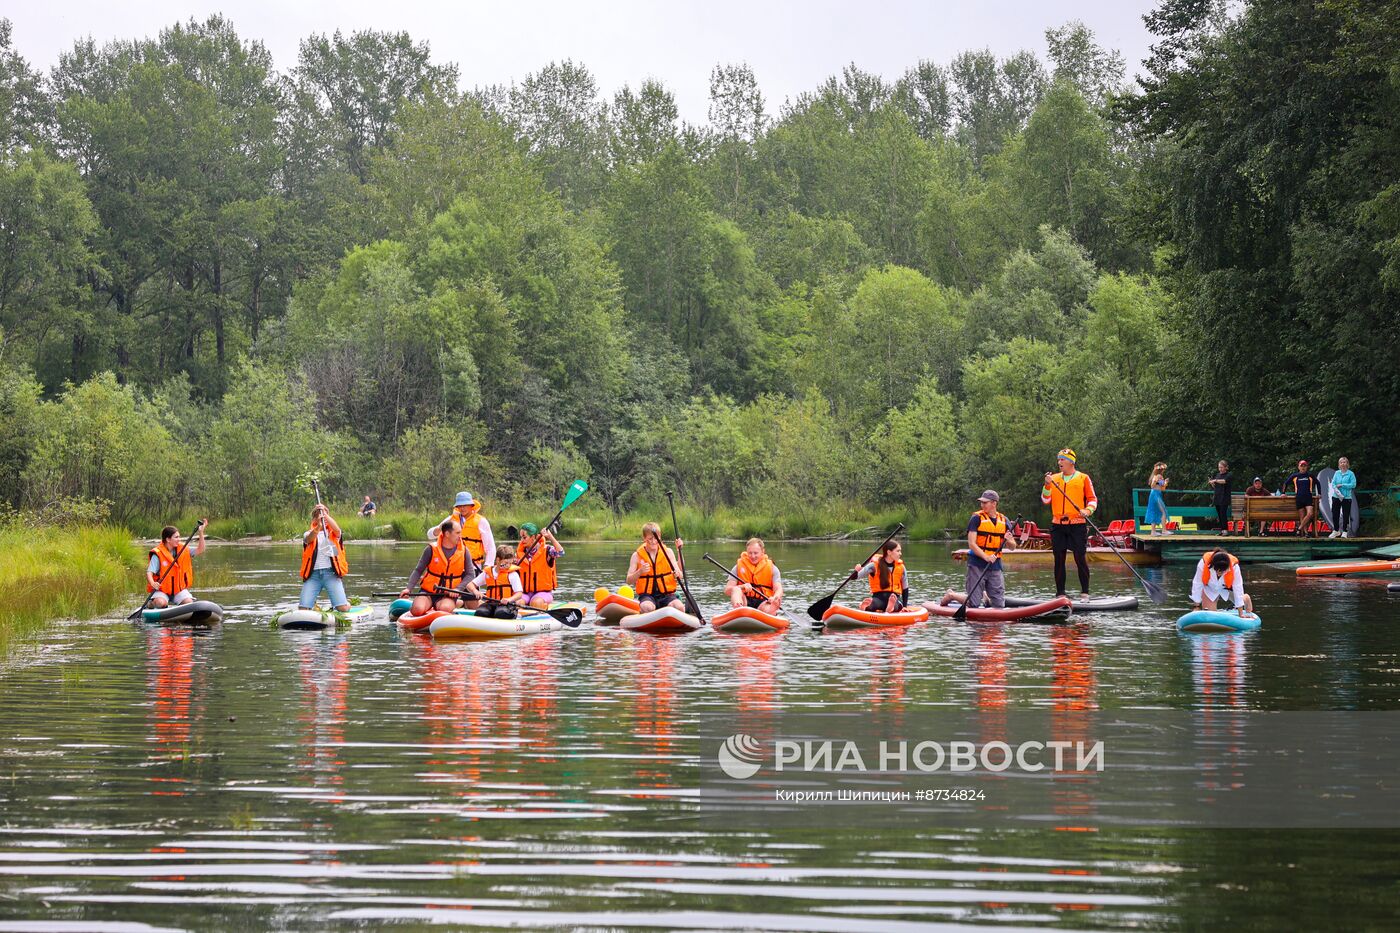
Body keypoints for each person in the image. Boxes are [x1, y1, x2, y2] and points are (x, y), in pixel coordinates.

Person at [1041, 448, 1097, 599]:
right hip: (1058, 525)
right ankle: (1060, 594)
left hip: (1077, 524)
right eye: (1058, 459)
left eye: (1062, 459)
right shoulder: (1053, 479)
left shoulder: (1083, 478)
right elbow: (1045, 500)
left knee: (1080, 558)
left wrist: (1088, 510)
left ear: (1071, 462)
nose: (1059, 462)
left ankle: (1085, 592)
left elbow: (1092, 499)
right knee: (1059, 559)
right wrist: (1047, 486)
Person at [958, 490, 1016, 608]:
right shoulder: (976, 518)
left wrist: (1008, 540)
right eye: (981, 502)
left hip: (995, 565)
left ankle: (986, 597)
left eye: (985, 502)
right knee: (974, 604)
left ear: (994, 503)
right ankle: (952, 595)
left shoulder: (1004, 520)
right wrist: (986, 557)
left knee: (999, 605)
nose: (982, 505)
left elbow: (1013, 547)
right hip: (976, 564)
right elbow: (972, 544)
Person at [401, 520, 469, 615]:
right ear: (447, 534)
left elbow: (470, 574)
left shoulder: (464, 551)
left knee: (444, 609)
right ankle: (424, 604)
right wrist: (408, 589)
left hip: (448, 594)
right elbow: (418, 570)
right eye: (457, 533)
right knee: (417, 610)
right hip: (428, 592)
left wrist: (458, 589)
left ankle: (456, 603)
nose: (460, 536)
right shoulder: (431, 549)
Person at [299, 504, 351, 612]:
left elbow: (337, 529)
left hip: (331, 574)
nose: (322, 519)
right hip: (313, 576)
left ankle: (347, 603)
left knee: (342, 608)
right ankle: (311, 605)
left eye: (324, 516)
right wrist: (318, 526)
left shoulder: (333, 533)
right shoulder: (308, 533)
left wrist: (325, 515)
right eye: (319, 516)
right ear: (314, 519)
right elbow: (309, 539)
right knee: (303, 609)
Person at [146, 521, 207, 608]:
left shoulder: (183, 549)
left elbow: (200, 549)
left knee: (188, 603)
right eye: (176, 537)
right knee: (160, 603)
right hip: (162, 590)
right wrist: (152, 583)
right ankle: (151, 603)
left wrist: (201, 533)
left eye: (179, 537)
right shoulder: (158, 554)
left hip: (178, 589)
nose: (179, 539)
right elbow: (149, 572)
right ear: (168, 539)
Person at [429, 491, 494, 573]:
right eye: (460, 506)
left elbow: (490, 547)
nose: (462, 508)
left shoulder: (481, 521)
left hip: (473, 567)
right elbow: (430, 535)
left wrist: (487, 565)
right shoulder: (451, 520)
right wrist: (439, 529)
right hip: (452, 565)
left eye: (465, 505)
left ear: (471, 505)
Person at [626, 522, 685, 612]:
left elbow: (681, 573)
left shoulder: (668, 552)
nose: (653, 541)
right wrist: (640, 571)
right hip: (647, 596)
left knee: (679, 607)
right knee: (647, 608)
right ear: (644, 538)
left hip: (667, 595)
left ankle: (668, 614)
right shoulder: (636, 556)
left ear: (659, 536)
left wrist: (677, 573)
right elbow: (629, 581)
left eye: (656, 538)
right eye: (650, 538)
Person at [726, 537, 784, 614]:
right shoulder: (738, 567)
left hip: (764, 601)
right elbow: (727, 590)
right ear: (746, 552)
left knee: (771, 604)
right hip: (744, 601)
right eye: (750, 553)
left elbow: (778, 589)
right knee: (736, 589)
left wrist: (775, 597)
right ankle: (739, 609)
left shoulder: (772, 568)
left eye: (756, 553)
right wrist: (742, 587)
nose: (752, 556)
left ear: (762, 552)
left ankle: (770, 610)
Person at [515, 522, 564, 609]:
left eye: (524, 537)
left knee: (536, 603)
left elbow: (561, 552)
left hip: (543, 592)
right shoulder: (519, 554)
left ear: (533, 537)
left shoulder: (547, 550)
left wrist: (550, 537)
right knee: (517, 603)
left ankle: (544, 607)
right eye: (521, 537)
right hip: (525, 593)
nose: (522, 540)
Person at [1190, 549, 1254, 617]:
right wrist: (1196, 606)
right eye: (1218, 571)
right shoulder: (1203, 563)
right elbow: (1197, 583)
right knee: (1209, 614)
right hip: (1210, 588)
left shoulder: (1234, 566)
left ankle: (1245, 598)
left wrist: (1240, 614)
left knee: (1239, 598)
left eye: (1222, 571)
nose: (1219, 574)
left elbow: (1238, 588)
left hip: (1228, 588)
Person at [467, 545, 527, 618]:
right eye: (506, 563)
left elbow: (519, 594)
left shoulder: (512, 574)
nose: (508, 566)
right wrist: (476, 591)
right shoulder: (488, 573)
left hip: (506, 605)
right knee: (481, 612)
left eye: (510, 563)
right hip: (490, 604)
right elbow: (470, 585)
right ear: (498, 560)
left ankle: (515, 615)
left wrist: (509, 599)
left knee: (501, 613)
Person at [855, 540, 909, 613]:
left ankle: (887, 607)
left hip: (890, 598)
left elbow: (905, 588)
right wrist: (856, 571)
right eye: (898, 551)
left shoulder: (901, 567)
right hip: (881, 598)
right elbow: (855, 577)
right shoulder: (874, 565)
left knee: (890, 603)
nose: (900, 553)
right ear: (889, 552)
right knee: (895, 606)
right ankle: (867, 607)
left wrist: (905, 607)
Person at [1285, 460, 1318, 536]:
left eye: (1304, 466)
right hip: (1299, 497)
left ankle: (1299, 528)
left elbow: (1318, 483)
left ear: (1307, 467)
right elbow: (1286, 483)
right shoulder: (1295, 476)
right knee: (1302, 516)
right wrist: (1283, 493)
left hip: (1308, 497)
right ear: (1298, 467)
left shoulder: (1310, 475)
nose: (1303, 467)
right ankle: (1306, 533)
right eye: (1301, 466)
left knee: (1310, 514)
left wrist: (1319, 493)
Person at [1328, 457, 1357, 539]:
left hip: (1346, 497)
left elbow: (1353, 484)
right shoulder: (1337, 473)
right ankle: (1336, 531)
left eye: (1344, 462)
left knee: (1346, 514)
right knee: (1335, 514)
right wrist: (1336, 489)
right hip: (1336, 496)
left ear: (1347, 464)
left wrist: (1342, 485)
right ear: (1339, 464)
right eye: (1341, 462)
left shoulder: (1351, 474)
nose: (1343, 464)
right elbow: (1333, 483)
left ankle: (1345, 531)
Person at [1208, 459, 1232, 535]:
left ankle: (1225, 530)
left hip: (1224, 497)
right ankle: (1222, 530)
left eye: (1221, 467)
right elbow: (1216, 485)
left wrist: (1215, 480)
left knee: (1223, 513)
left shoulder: (1229, 475)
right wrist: (1212, 482)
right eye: (1219, 467)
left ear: (1226, 467)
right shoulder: (1217, 475)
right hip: (1217, 497)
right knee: (1219, 514)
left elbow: (1224, 481)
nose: (1220, 469)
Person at [1144, 462, 1169, 536]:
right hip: (1155, 495)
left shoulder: (1158, 476)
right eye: (1163, 469)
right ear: (1160, 470)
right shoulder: (1158, 476)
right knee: (1163, 511)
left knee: (1154, 511)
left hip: (1156, 494)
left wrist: (1166, 483)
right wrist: (1155, 481)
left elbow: (1163, 488)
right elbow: (1152, 486)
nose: (1164, 470)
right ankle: (1164, 530)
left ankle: (1153, 532)